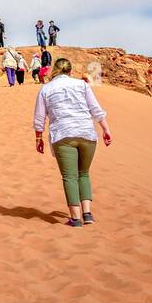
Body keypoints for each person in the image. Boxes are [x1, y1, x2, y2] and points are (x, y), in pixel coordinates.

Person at [33, 57, 113, 227]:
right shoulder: (82, 85)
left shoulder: (46, 89)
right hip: (86, 133)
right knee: (83, 173)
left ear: (55, 70)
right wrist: (106, 129)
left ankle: (75, 218)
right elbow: (96, 109)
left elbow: (40, 118)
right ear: (70, 71)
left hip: (63, 134)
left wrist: (38, 138)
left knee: (70, 176)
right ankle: (88, 214)